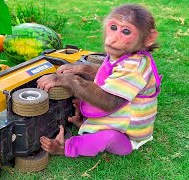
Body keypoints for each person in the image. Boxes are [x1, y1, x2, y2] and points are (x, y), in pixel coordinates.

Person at [37, 4, 163, 157]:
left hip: (125, 135)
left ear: (148, 38)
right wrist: (82, 69)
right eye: (113, 27)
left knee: (107, 138)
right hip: (118, 116)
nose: (113, 39)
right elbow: (111, 73)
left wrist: (71, 80)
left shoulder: (135, 67)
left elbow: (108, 101)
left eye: (126, 31)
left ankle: (65, 148)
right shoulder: (125, 54)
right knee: (83, 95)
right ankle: (91, 124)